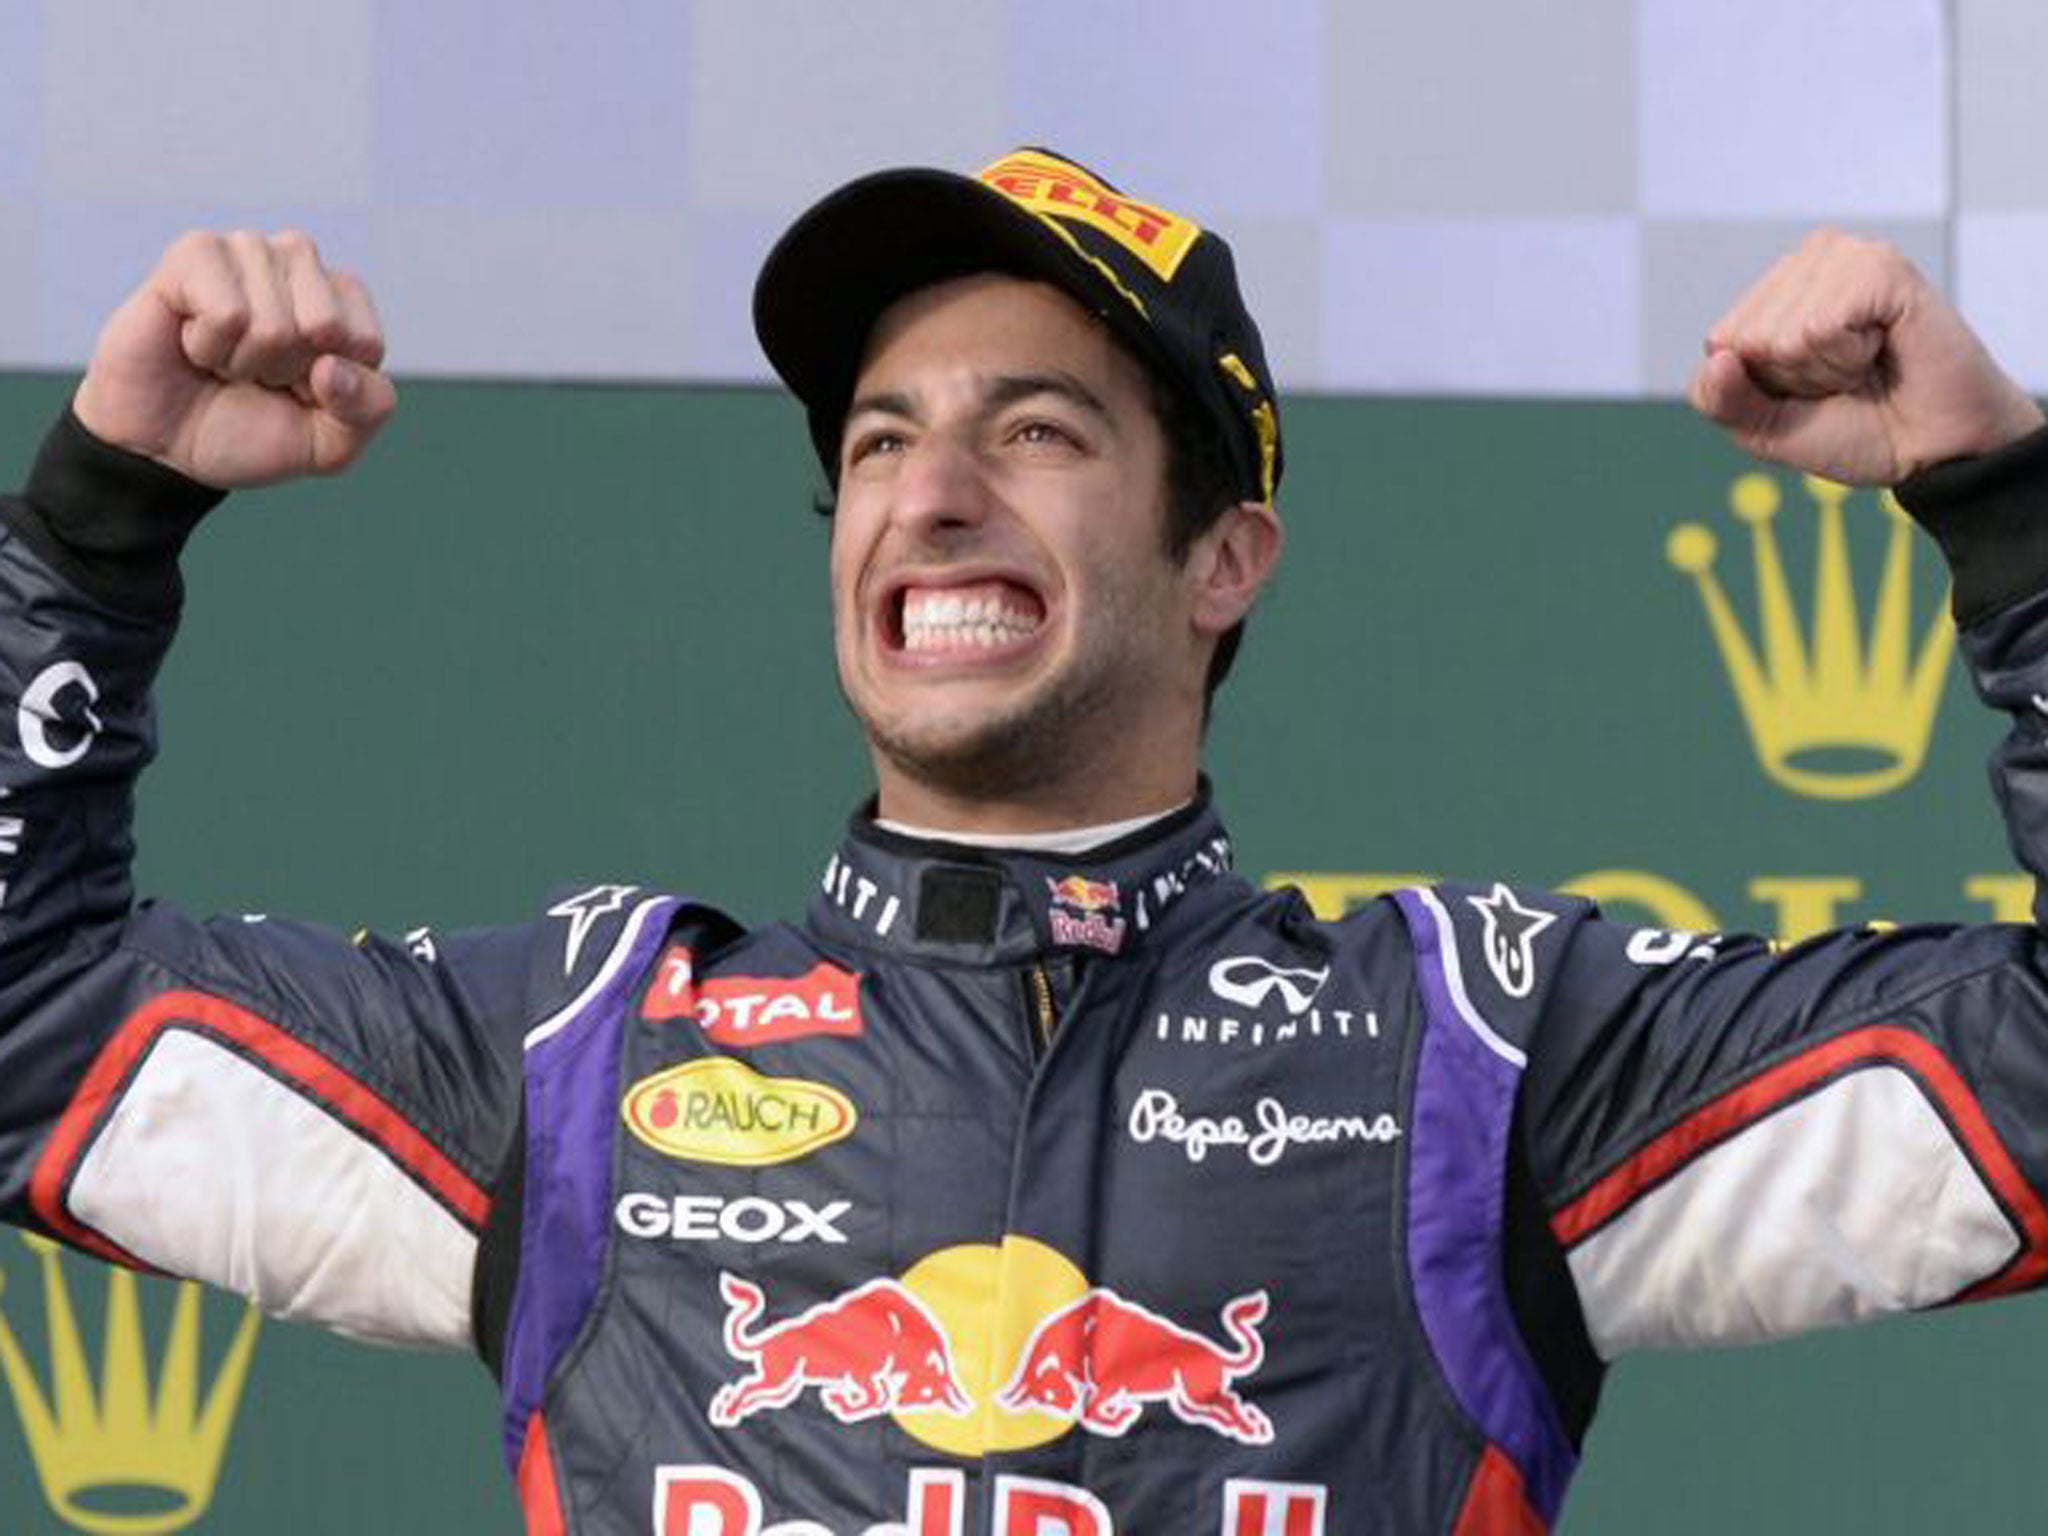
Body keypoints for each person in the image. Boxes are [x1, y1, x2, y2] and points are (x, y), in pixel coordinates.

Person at [1, 146, 2046, 1536]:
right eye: (880, 439)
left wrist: (2007, 519)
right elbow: (27, 1030)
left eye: (1037, 430)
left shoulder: (1479, 1050)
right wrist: (96, 529)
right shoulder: (581, 1059)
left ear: (1223, 556)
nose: (933, 490)